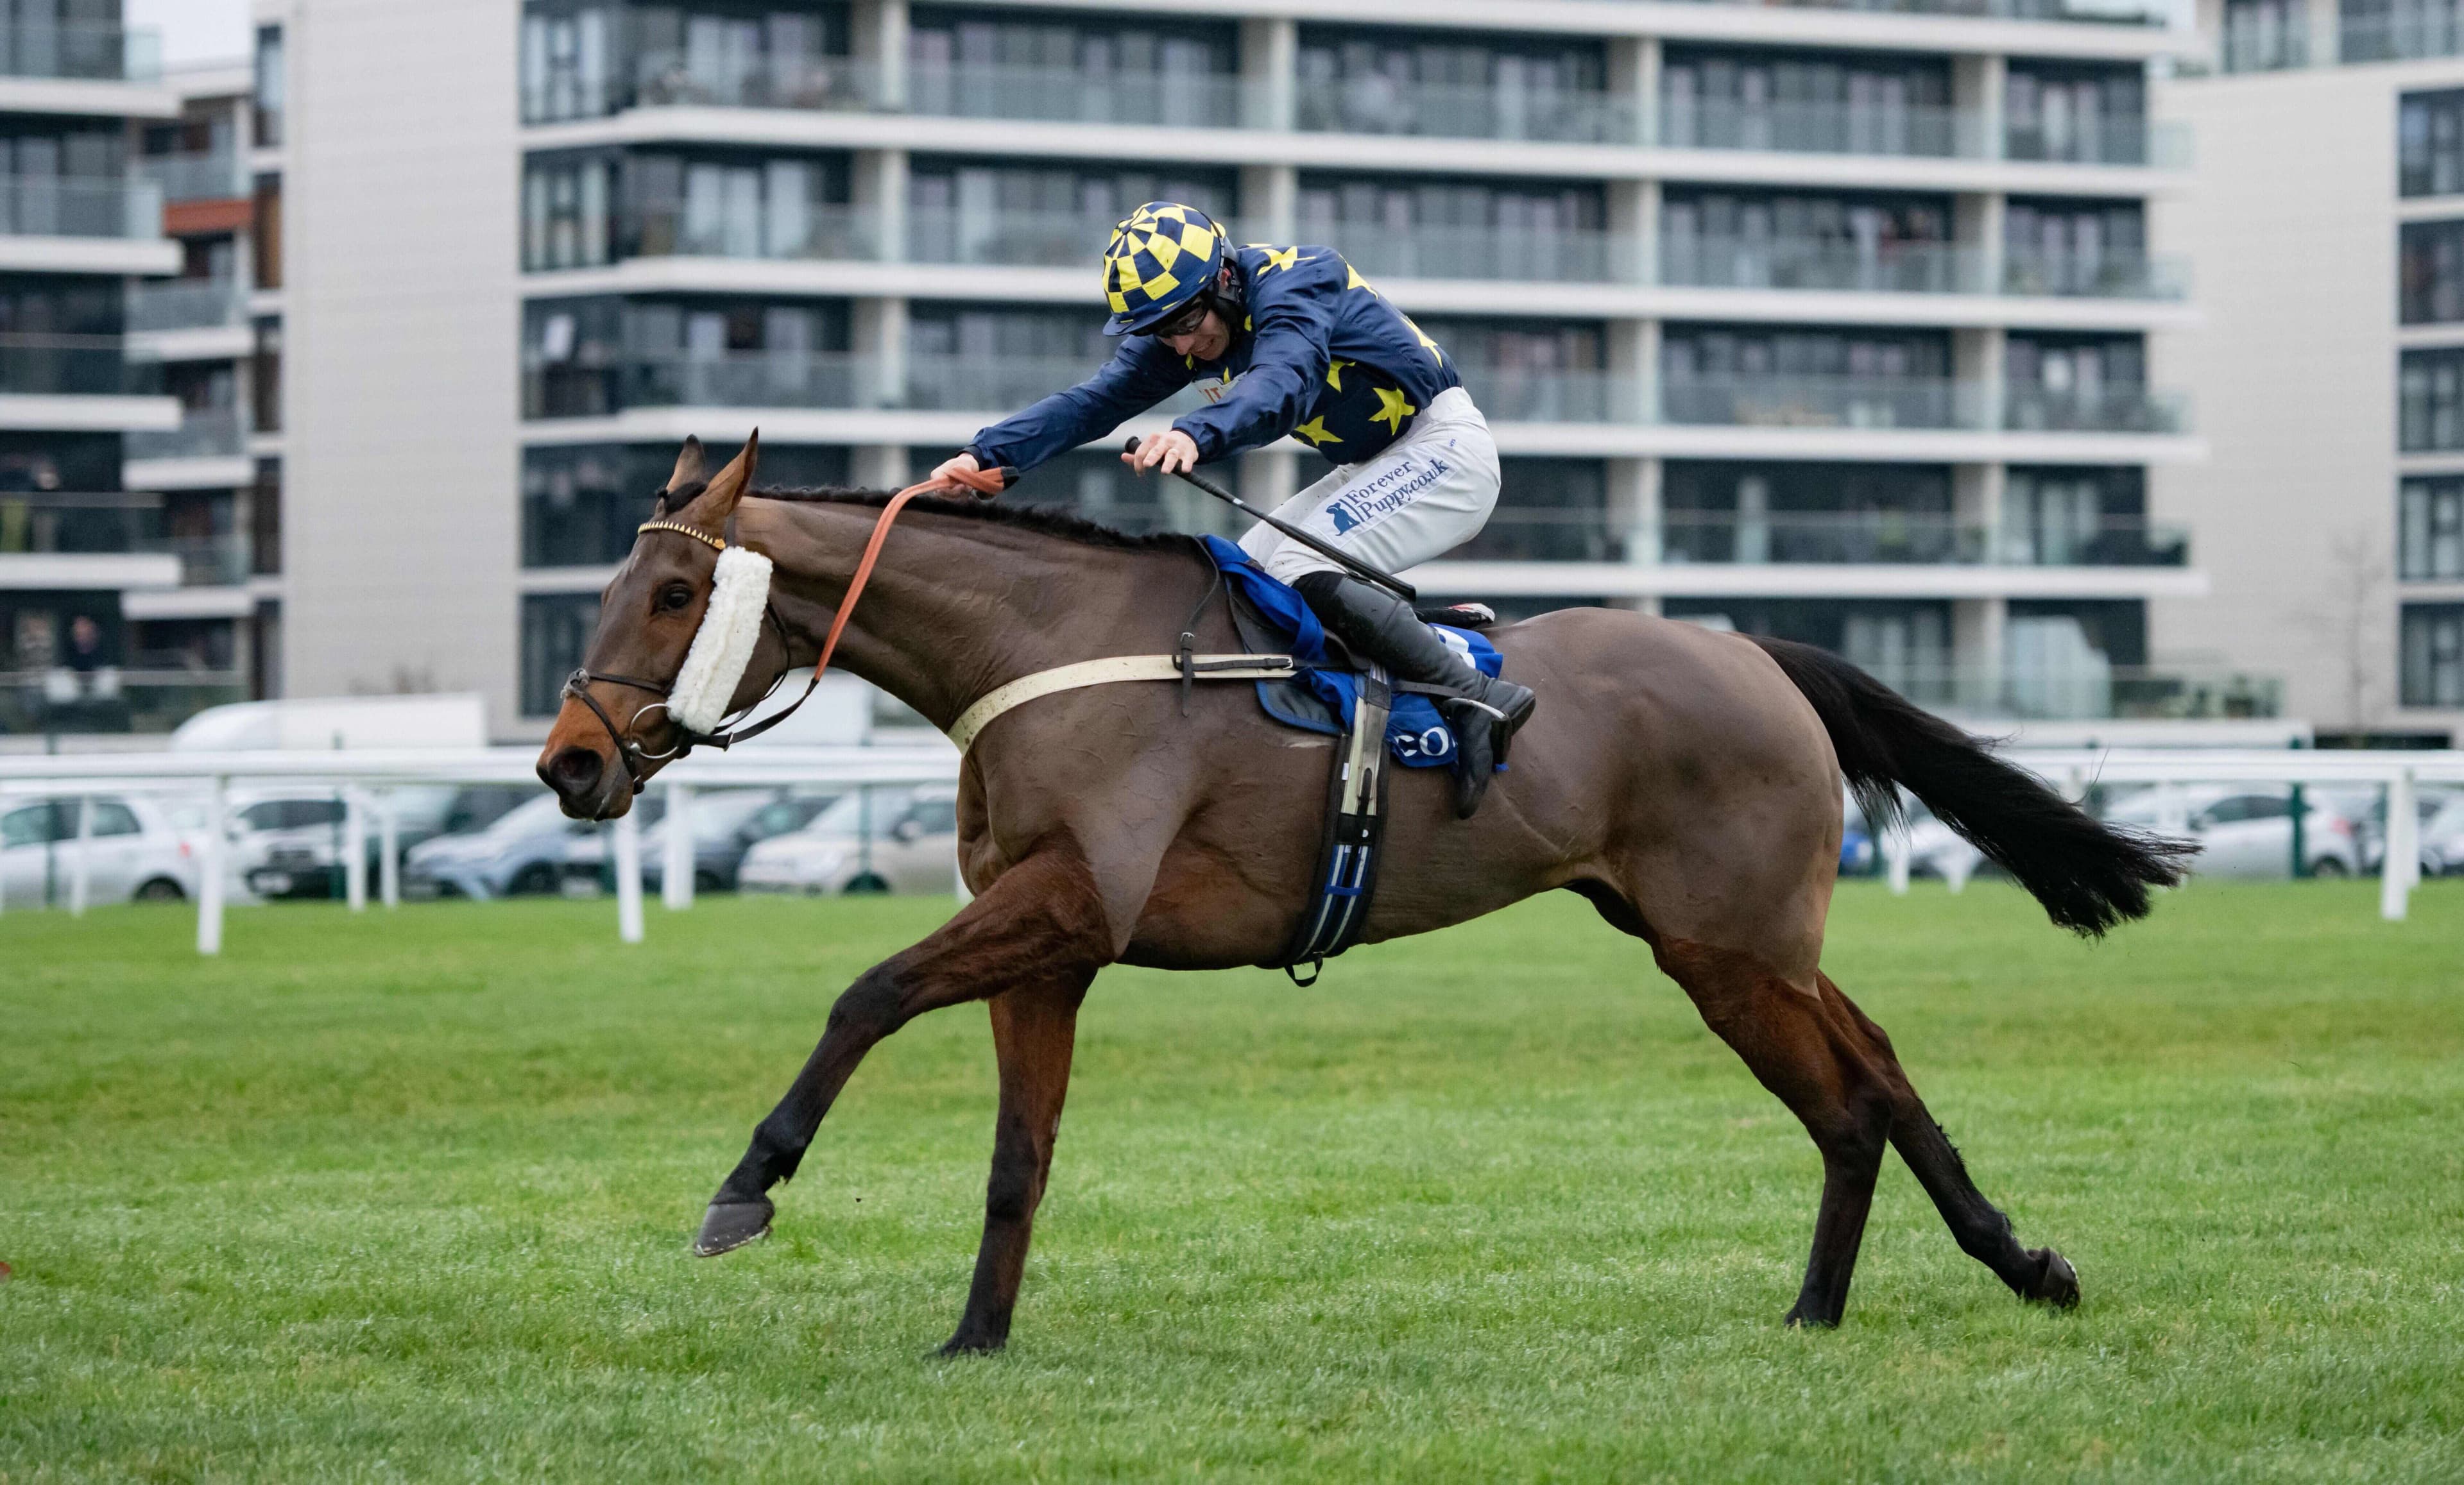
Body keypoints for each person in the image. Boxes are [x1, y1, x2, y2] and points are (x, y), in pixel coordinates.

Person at [930, 201, 1535, 818]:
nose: (1184, 343)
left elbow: (1283, 380)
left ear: (1225, 277)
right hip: (1373, 465)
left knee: (1298, 564)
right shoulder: (1181, 328)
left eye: (1188, 320)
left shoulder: (1301, 280)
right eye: (1163, 331)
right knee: (1241, 583)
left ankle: (1479, 696)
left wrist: (1196, 433)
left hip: (1445, 448)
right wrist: (989, 457)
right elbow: (1093, 402)